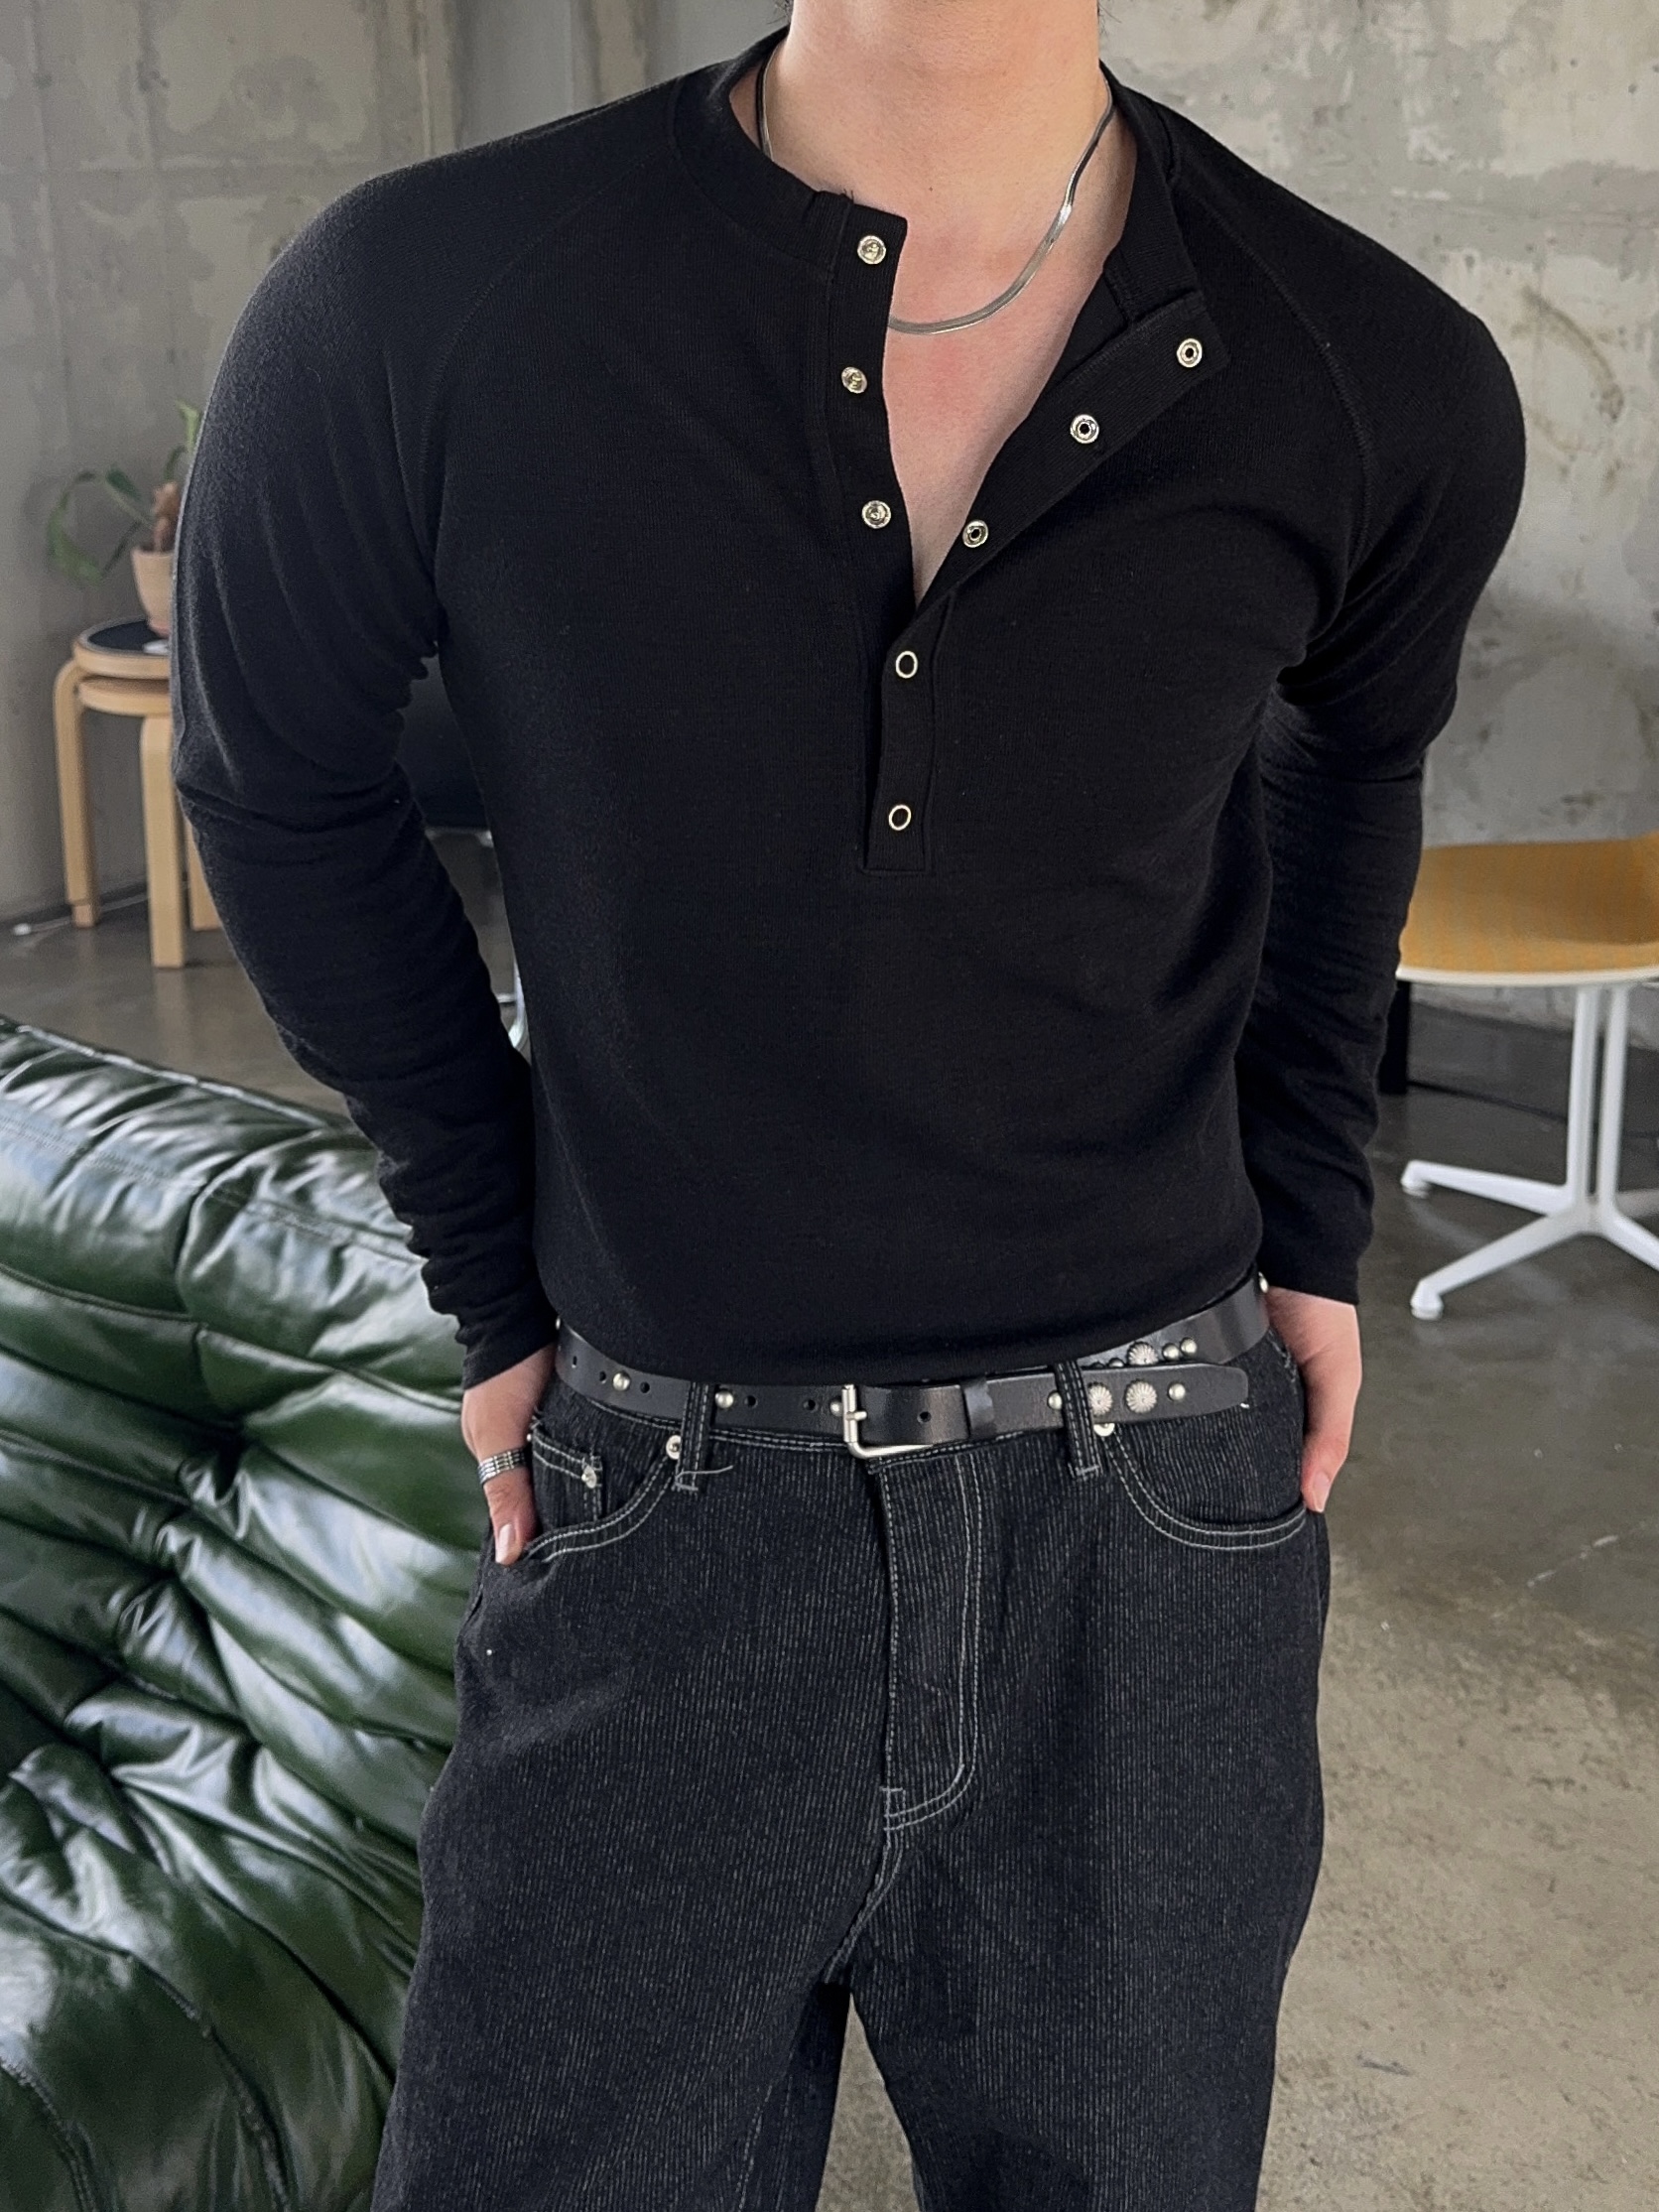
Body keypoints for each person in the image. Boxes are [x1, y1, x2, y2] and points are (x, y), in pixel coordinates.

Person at [172, 0, 1526, 2203]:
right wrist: (488, 1258)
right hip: (659, 1499)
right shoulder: (420, 301)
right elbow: (272, 774)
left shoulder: (1372, 369)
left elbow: (1346, 768)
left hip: (1155, 1525)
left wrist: (1306, 1212)